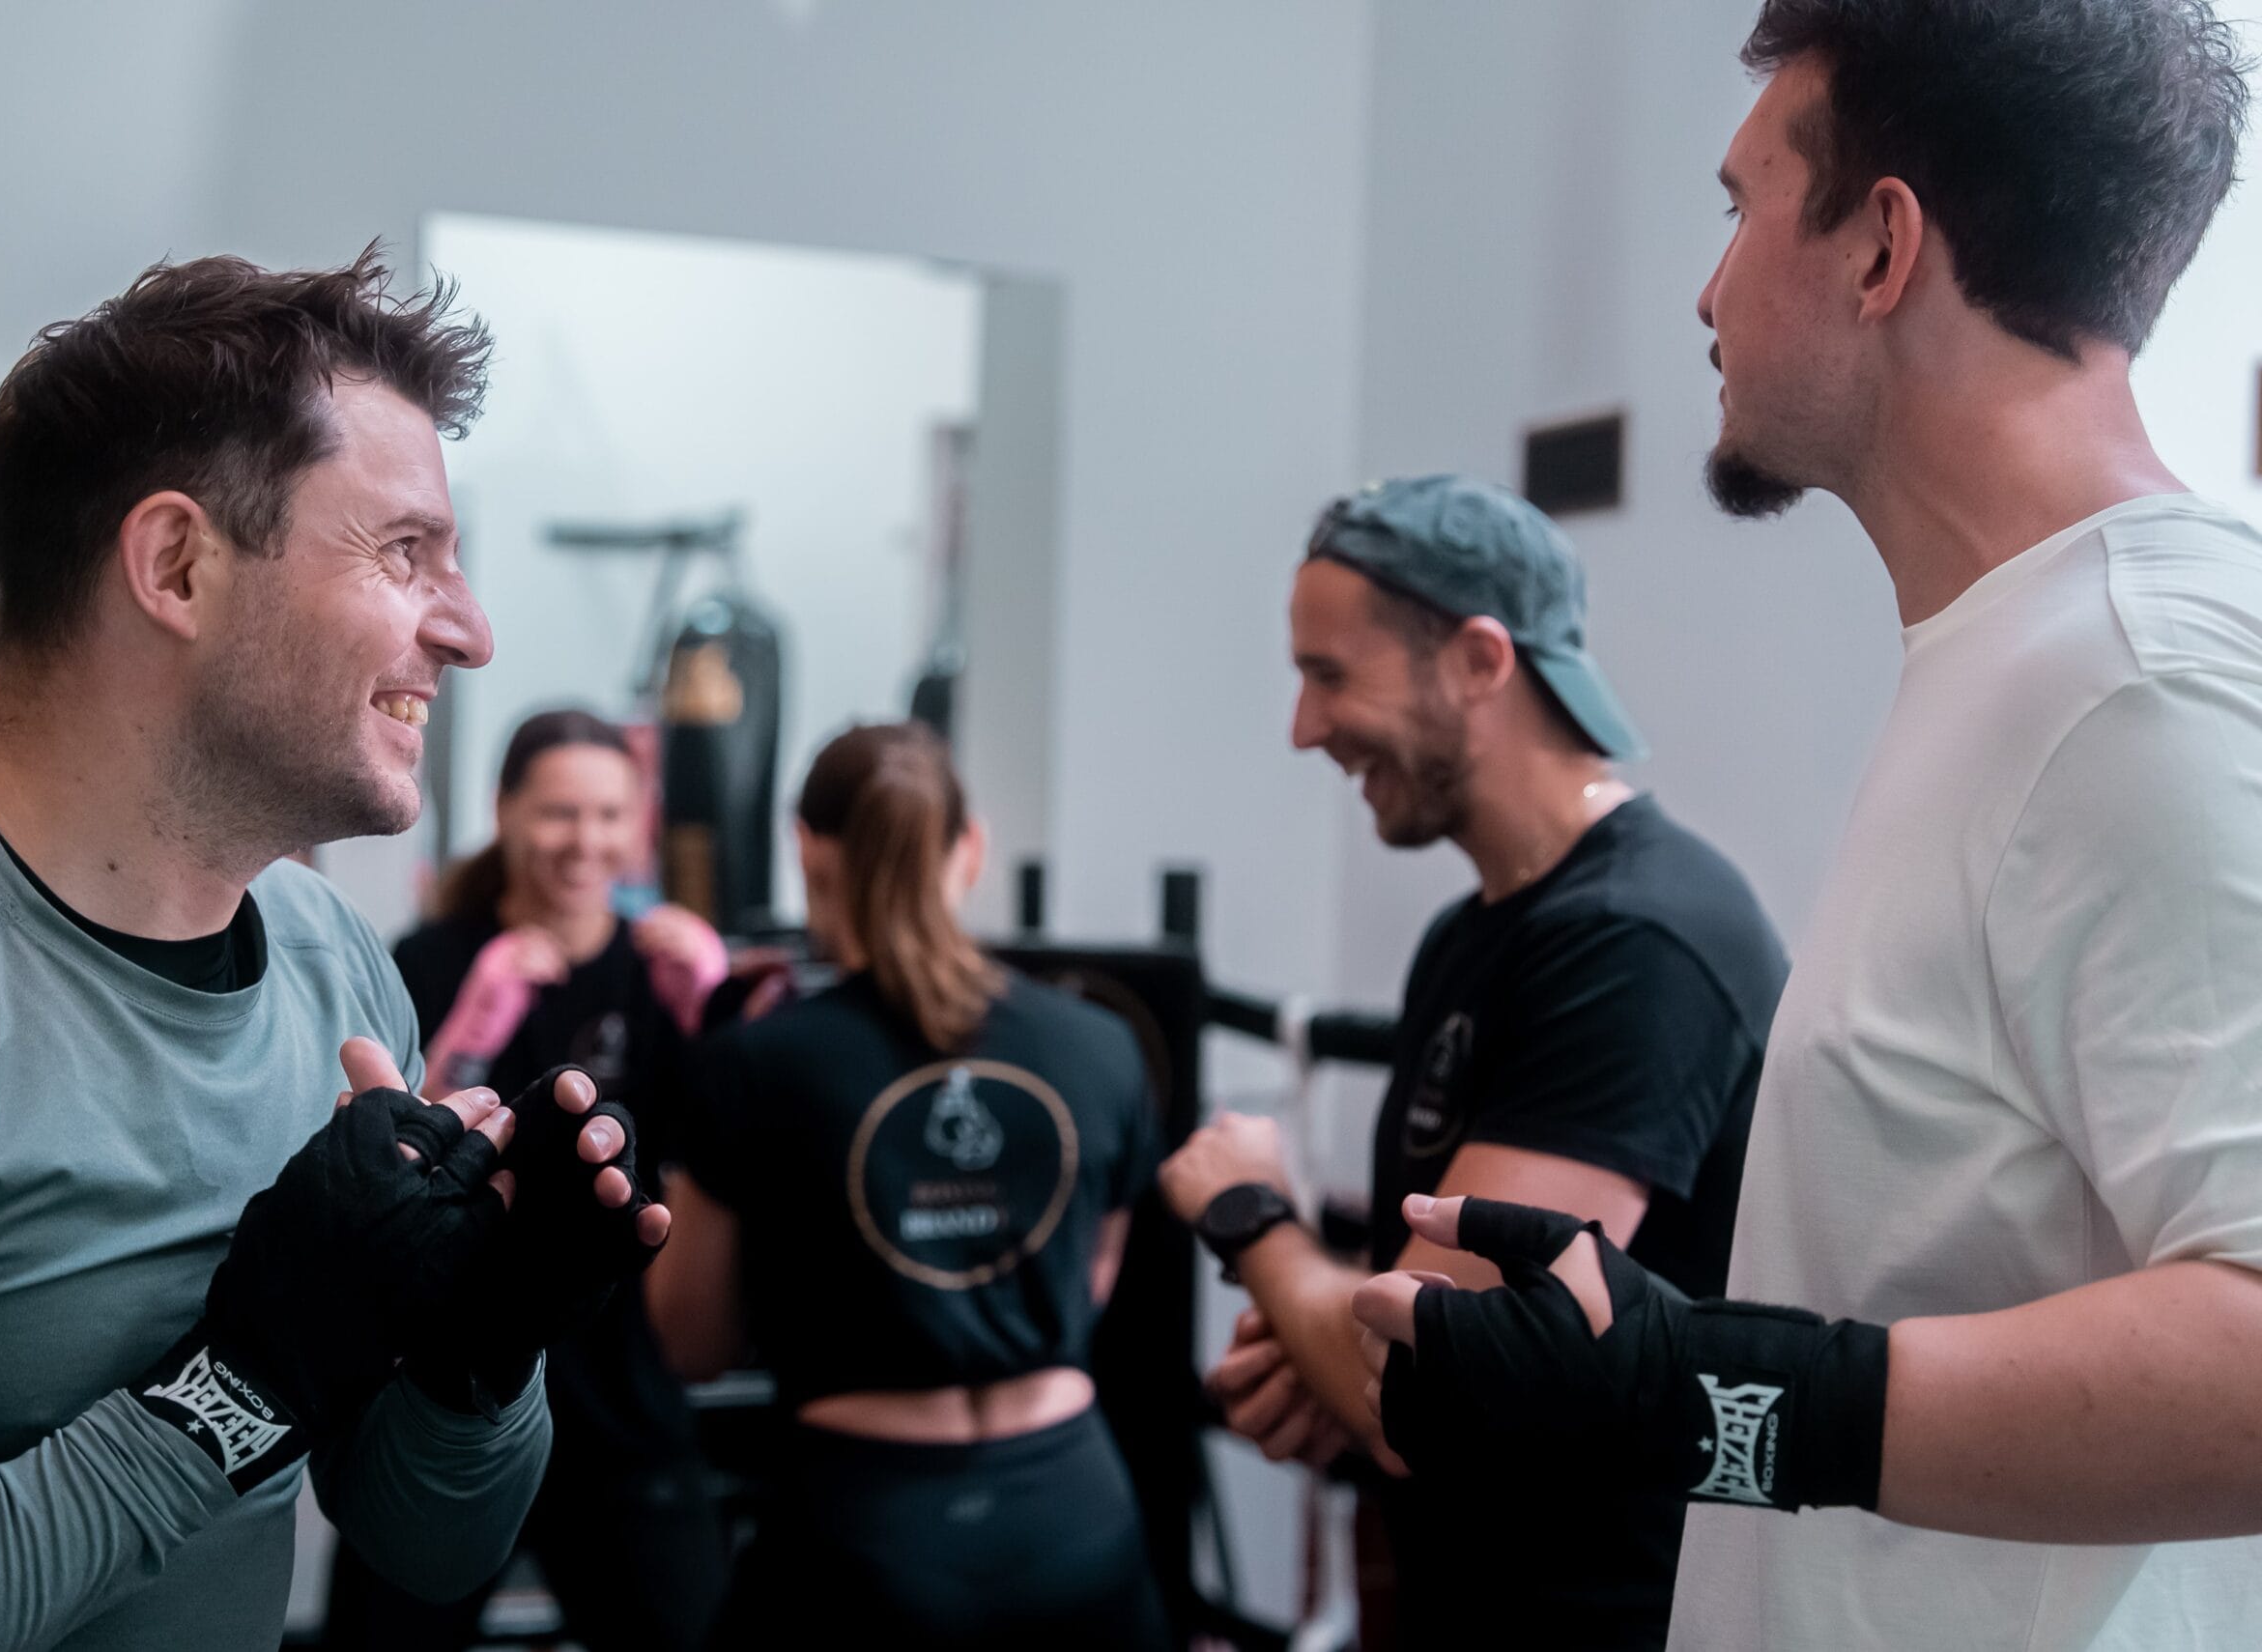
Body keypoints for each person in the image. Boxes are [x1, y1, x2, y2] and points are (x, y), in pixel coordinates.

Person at [1352, 7, 2262, 1650]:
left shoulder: (2144, 684)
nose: (1705, 293)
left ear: (1881, 248)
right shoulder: (2024, 661)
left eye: (1740, 207)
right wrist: (1652, 1356)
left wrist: (1711, 1391)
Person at [0, 250, 667, 1650]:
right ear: (179, 566)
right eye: (404, 552)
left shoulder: (336, 967)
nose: (472, 631)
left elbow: (424, 1543)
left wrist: (482, 1352)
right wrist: (241, 1383)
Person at [1157, 475, 1786, 1649]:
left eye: (1330, 675)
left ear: (1479, 661)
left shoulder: (1638, 942)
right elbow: (1427, 1317)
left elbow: (1426, 1386)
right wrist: (1319, 1351)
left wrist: (1251, 1217)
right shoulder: (1476, 933)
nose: (1303, 728)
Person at [646, 723, 1169, 1650]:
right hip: (1077, 1509)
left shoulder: (752, 1063)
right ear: (973, 847)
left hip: (867, 1525)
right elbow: (1084, 1290)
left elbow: (694, 1343)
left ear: (805, 849)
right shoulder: (1103, 1047)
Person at [321, 707, 730, 1650]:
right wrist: (471, 1031)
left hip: (619, 1383)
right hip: (453, 1368)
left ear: (637, 823)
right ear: (504, 810)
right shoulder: (433, 958)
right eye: (558, 813)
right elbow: (390, 1166)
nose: (584, 841)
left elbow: (720, 1159)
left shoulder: (655, 967)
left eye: (607, 814)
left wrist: (713, 1016)